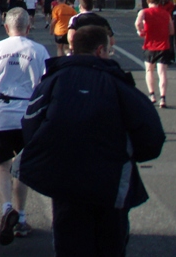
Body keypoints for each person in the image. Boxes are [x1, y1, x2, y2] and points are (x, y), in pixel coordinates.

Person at [18, 25, 165, 256]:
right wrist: (130, 156)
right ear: (100, 51)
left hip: (65, 179)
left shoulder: (53, 81)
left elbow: (30, 124)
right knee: (110, 244)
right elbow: (152, 134)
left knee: (70, 243)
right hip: (111, 180)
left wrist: (47, 156)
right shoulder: (118, 84)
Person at [0, 8, 50, 245]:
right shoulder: (38, 50)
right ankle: (22, 217)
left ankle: (7, 209)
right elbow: (46, 84)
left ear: (6, 27)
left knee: (2, 166)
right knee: (22, 167)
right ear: (29, 27)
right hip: (27, 113)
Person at [134, 0, 174, 108]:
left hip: (150, 45)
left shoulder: (144, 12)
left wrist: (141, 31)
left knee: (149, 70)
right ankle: (163, 98)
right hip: (163, 46)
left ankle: (152, 95)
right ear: (159, 1)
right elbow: (171, 30)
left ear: (147, 1)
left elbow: (137, 23)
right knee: (162, 73)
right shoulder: (166, 13)